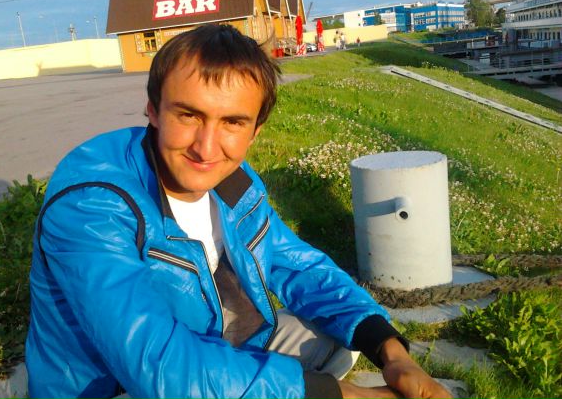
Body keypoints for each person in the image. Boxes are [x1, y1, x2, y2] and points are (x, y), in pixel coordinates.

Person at [26, 24, 451, 399]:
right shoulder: (91, 206)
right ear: (153, 110)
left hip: (209, 344)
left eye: (232, 122)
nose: (206, 148)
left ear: (255, 130)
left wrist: (393, 354)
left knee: (340, 334)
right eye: (188, 115)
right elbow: (158, 367)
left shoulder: (234, 180)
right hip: (123, 384)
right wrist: (344, 394)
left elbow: (299, 267)